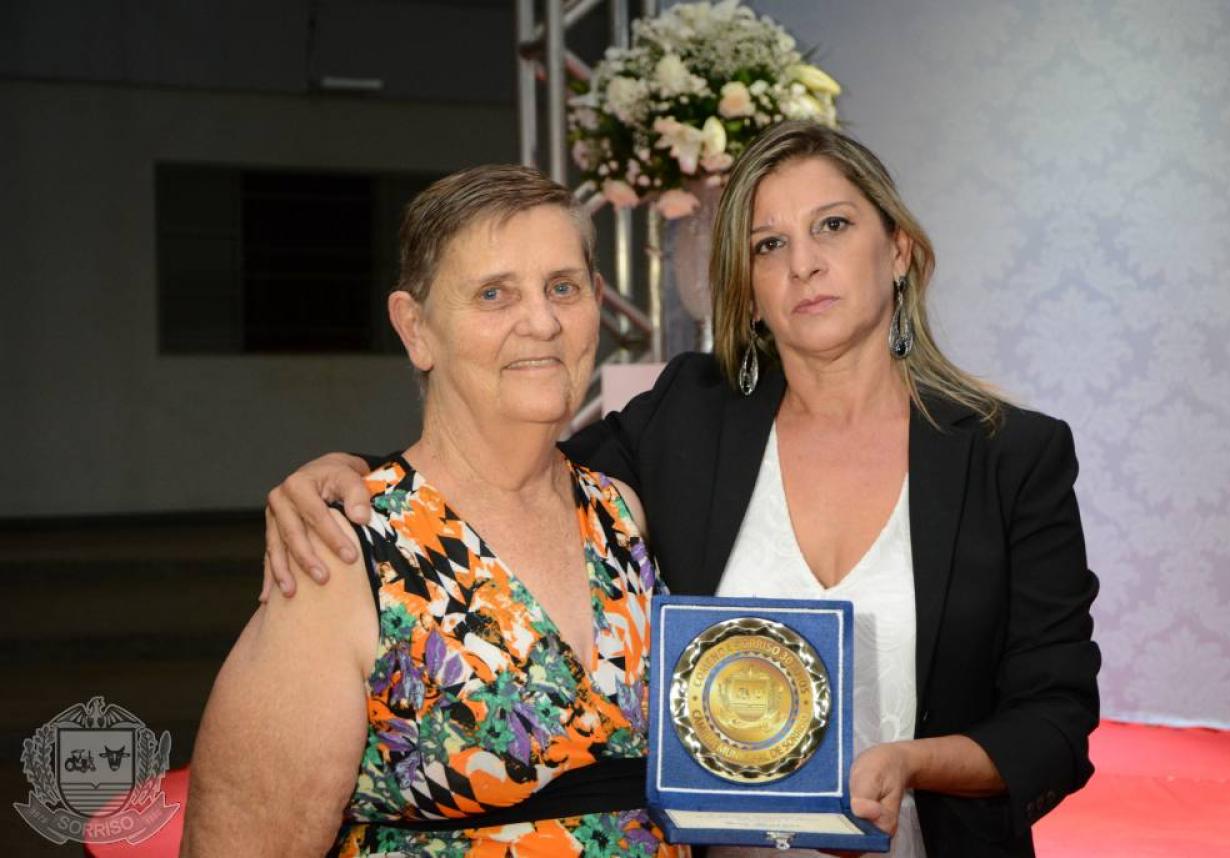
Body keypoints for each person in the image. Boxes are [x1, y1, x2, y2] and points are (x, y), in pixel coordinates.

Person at [264, 121, 1101, 858]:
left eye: (833, 226)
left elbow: (1055, 720)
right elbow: (512, 478)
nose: (804, 264)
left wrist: (913, 764)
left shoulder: (1011, 456)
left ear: (900, 250)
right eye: (768, 245)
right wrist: (357, 473)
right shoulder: (690, 417)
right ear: (750, 289)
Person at [181, 165, 684, 857]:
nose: (542, 322)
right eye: (493, 294)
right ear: (415, 328)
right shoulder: (347, 552)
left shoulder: (622, 514)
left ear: (597, 303)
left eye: (562, 288)